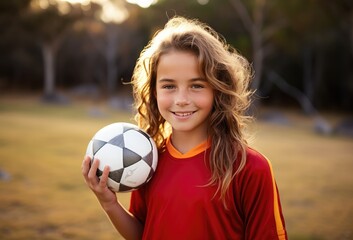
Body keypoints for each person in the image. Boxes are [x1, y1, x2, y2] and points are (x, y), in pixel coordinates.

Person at [82, 16, 288, 240]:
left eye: (197, 85)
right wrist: (109, 204)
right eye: (169, 86)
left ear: (218, 89)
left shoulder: (248, 168)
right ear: (154, 91)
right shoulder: (146, 162)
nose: (181, 99)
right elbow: (145, 234)